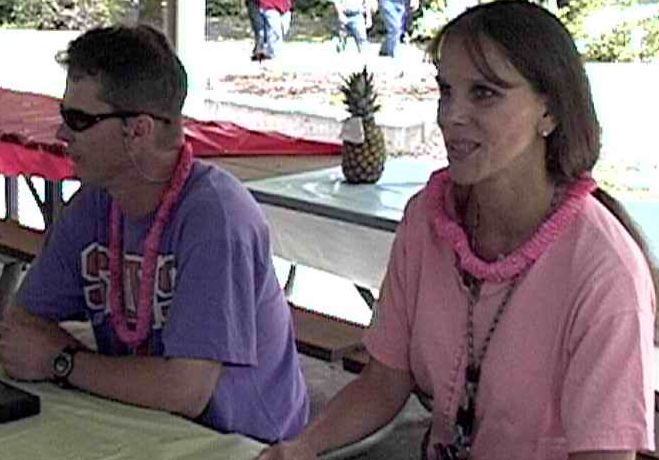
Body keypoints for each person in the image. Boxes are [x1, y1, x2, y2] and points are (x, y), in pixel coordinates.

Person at [256, 1, 656, 459]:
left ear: (550, 112)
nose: (450, 115)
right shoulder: (428, 217)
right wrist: (300, 448)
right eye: (446, 91)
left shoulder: (604, 270)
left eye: (483, 93)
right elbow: (385, 381)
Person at [0, 25, 309, 443]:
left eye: (78, 119)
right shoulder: (94, 203)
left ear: (139, 131)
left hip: (244, 445)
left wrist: (63, 362)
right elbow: (21, 327)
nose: (61, 133)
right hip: (142, 425)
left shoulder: (217, 217)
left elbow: (185, 390)